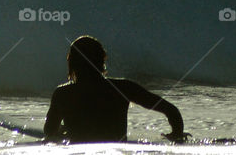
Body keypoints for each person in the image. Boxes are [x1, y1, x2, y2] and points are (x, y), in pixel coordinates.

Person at [43, 35, 188, 143]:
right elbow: (170, 109)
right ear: (102, 61)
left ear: (72, 64)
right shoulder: (122, 88)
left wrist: (64, 132)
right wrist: (177, 134)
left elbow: (50, 133)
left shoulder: (63, 94)